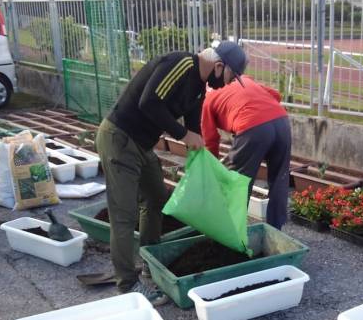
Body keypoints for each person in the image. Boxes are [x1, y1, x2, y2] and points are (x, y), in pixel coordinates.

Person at [96, 41, 247, 305]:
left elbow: (193, 125)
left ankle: (149, 260)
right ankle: (127, 284)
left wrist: (201, 156)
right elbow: (149, 103)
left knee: (156, 199)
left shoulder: (199, 88)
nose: (228, 83)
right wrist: (183, 135)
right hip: (119, 139)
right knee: (123, 213)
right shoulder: (180, 64)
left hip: (142, 145)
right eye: (230, 76)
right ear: (219, 66)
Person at [200, 75, 291, 229]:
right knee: (279, 179)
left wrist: (212, 168)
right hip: (282, 121)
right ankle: (276, 229)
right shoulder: (243, 78)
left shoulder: (207, 100)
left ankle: (232, 231)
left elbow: (210, 140)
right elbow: (276, 95)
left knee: (238, 181)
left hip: (251, 126)